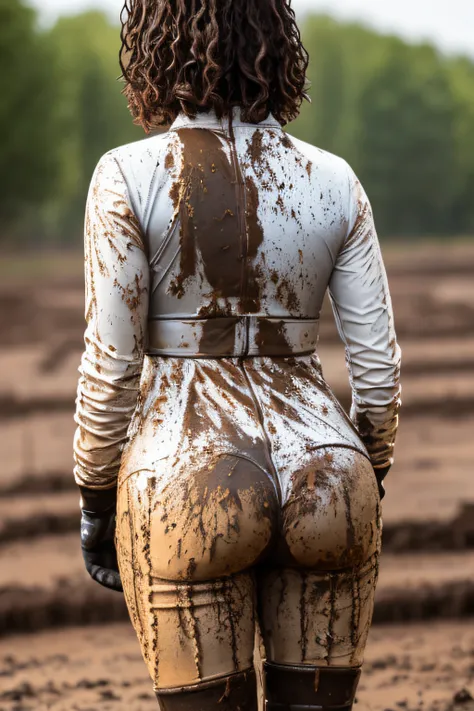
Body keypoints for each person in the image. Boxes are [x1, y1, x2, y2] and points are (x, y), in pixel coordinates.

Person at [74, 1, 401, 709]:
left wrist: (96, 499)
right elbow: (377, 375)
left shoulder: (126, 177)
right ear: (279, 44)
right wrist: (366, 478)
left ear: (152, 46)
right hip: (329, 470)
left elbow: (111, 368)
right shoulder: (335, 180)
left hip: (184, 480)